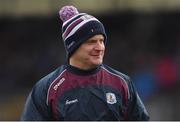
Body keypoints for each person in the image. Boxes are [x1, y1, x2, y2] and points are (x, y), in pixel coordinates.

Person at [21, 5, 150, 121]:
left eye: (101, 41)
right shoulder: (47, 89)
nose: (100, 47)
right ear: (73, 46)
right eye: (92, 42)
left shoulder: (122, 83)